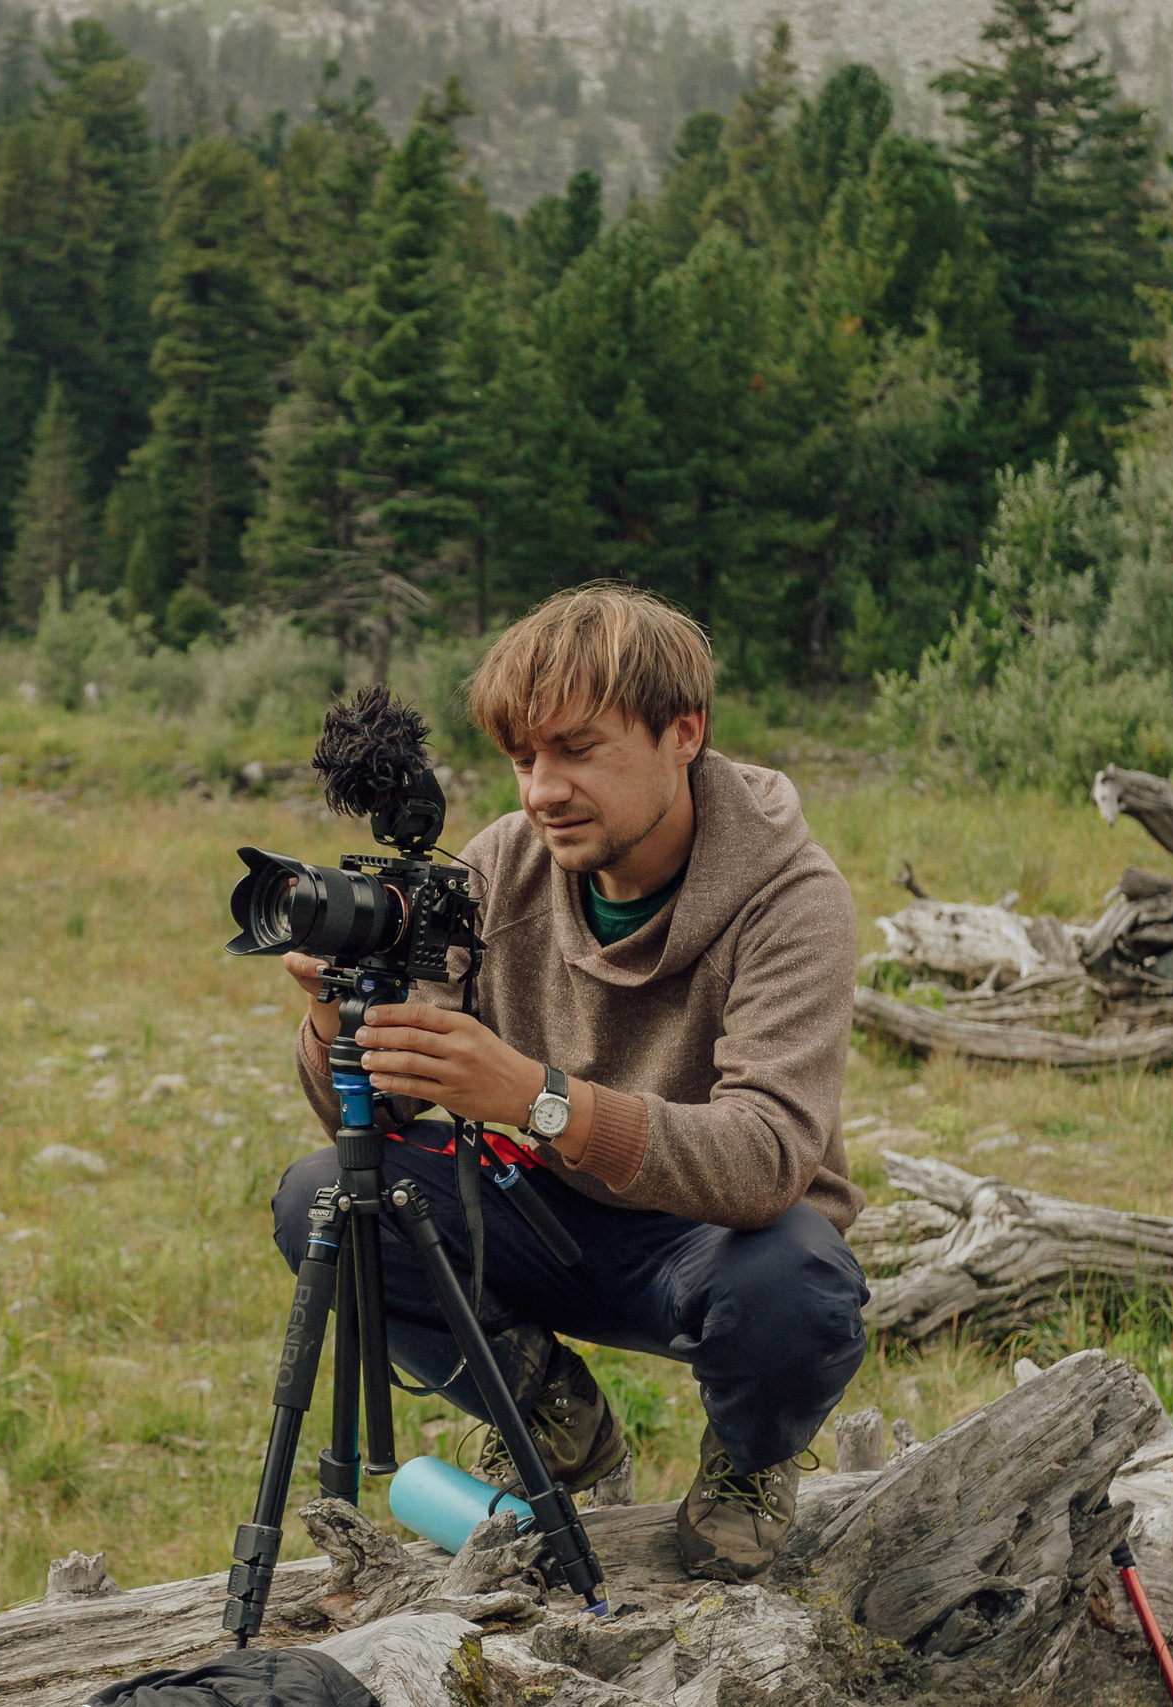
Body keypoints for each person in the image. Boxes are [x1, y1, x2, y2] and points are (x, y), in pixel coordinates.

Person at [272, 584, 868, 1585]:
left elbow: (767, 1158)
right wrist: (340, 1018)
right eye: (523, 759)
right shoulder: (500, 866)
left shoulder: (793, 896)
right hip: (537, 1212)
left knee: (799, 1282)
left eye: (578, 750)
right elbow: (372, 1120)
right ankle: (552, 1414)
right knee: (325, 1197)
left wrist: (533, 1096)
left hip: (714, 1241)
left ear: (683, 733)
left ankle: (749, 1458)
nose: (543, 790)